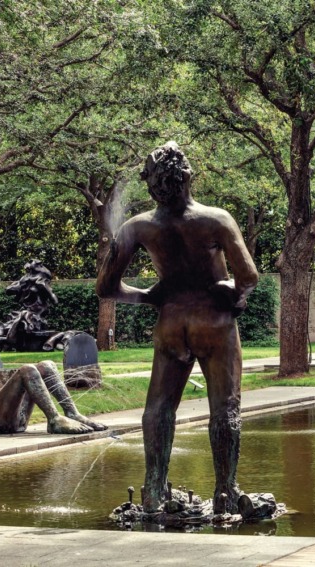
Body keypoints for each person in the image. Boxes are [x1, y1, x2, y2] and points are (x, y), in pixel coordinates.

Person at [96, 141, 259, 515]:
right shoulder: (216, 219)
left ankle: (153, 491)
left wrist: (151, 297)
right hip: (213, 323)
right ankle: (225, 492)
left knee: (158, 407)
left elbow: (106, 287)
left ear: (151, 186)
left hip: (171, 324)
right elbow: (248, 276)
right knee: (225, 408)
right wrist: (233, 293)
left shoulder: (137, 227)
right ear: (188, 177)